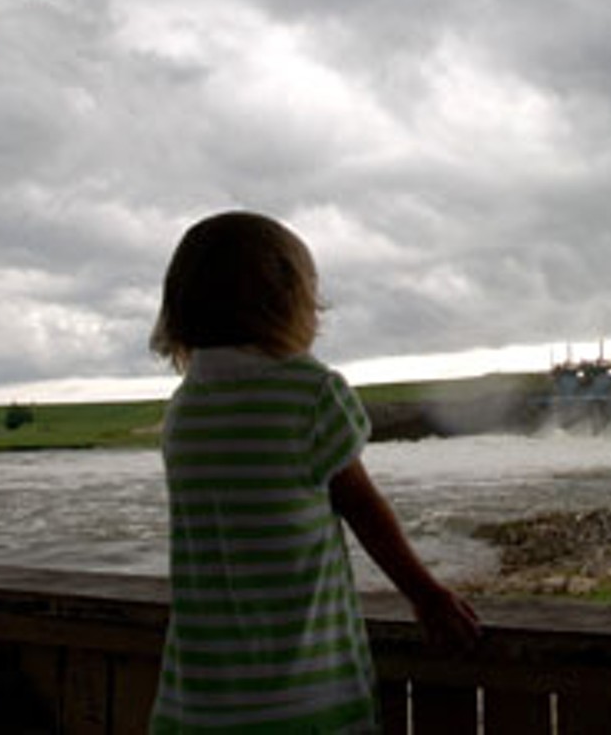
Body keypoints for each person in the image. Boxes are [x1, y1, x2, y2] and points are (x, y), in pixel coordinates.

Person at [148, 210, 480, 733]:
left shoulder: (184, 410)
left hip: (200, 703)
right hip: (306, 697)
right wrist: (427, 597)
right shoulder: (311, 393)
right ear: (288, 300)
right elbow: (364, 509)